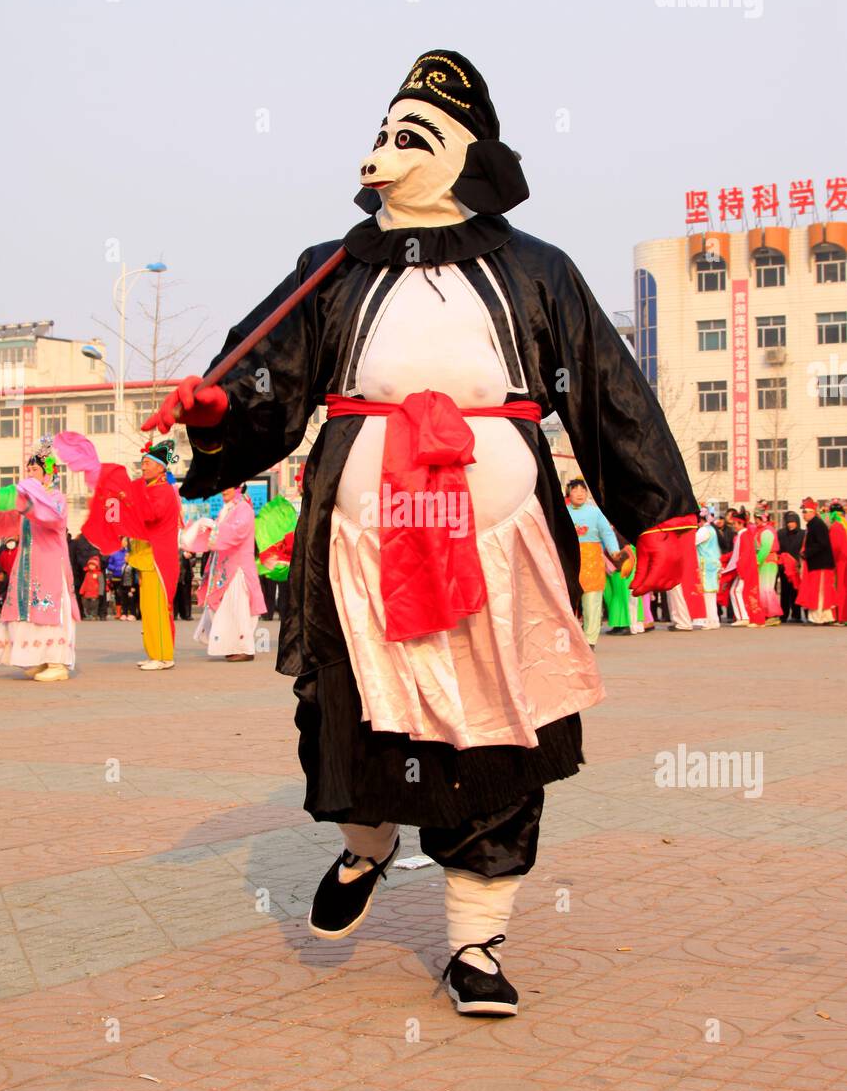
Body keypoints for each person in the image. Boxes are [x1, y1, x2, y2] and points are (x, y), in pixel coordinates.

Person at [145, 49, 697, 1016]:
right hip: (357, 552)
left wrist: (662, 509)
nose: (387, 150)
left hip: (505, 556)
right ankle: (366, 845)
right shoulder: (328, 272)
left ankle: (475, 942)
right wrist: (216, 408)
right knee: (349, 709)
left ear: (466, 153)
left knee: (498, 728)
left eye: (415, 136)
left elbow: (608, 393)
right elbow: (264, 375)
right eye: (383, 133)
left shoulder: (538, 270)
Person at [0, 437, 80, 680]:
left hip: (49, 564)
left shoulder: (56, 499)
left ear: (48, 473)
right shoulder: (27, 501)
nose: (30, 473)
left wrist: (26, 502)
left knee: (48, 608)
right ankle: (39, 658)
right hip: (27, 564)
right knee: (26, 611)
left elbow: (52, 519)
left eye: (35, 469)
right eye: (28, 469)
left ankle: (57, 663)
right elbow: (8, 521)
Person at [84, 439, 182, 669]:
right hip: (146, 557)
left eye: (148, 463)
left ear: (161, 467)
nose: (144, 467)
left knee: (157, 609)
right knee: (147, 609)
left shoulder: (163, 490)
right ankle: (154, 653)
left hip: (158, 558)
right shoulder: (147, 488)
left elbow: (149, 515)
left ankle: (162, 656)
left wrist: (127, 497)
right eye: (143, 463)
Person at [181, 485, 266, 659]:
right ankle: (231, 646)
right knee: (225, 609)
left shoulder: (244, 509)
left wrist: (212, 527)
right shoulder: (227, 509)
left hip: (238, 569)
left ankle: (244, 648)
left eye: (228, 487)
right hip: (225, 567)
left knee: (239, 609)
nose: (223, 491)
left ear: (239, 488)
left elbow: (236, 533)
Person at [565, 478, 623, 647]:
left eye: (583, 490)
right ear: (569, 493)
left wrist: (614, 551)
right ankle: (569, 637)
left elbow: (607, 533)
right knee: (568, 602)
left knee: (592, 602)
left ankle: (590, 640)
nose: (579, 493)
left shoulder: (595, 513)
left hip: (592, 561)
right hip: (570, 561)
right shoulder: (563, 511)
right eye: (575, 490)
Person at [255, 490, 299, 624]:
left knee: (270, 589)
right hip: (284, 561)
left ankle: (268, 613)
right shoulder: (289, 521)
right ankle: (283, 613)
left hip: (272, 561)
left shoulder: (267, 522)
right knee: (284, 589)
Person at [721, 507, 764, 627]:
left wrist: (741, 568)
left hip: (745, 568)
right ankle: (745, 617)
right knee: (738, 591)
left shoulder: (744, 535)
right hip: (745, 568)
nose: (733, 526)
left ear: (741, 523)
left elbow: (744, 554)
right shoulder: (743, 535)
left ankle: (746, 617)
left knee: (738, 591)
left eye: (735, 523)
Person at [797, 497, 837, 625]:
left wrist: (806, 553)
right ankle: (822, 616)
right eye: (803, 511)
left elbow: (822, 543)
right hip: (816, 563)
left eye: (805, 511)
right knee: (817, 589)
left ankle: (819, 617)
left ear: (812, 512)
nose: (803, 514)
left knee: (819, 590)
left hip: (821, 563)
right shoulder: (813, 525)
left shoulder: (817, 525)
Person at [754, 505, 782, 626]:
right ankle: (767, 614)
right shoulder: (762, 530)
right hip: (764, 562)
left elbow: (765, 549)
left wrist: (756, 561)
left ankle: (773, 615)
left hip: (767, 562)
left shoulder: (767, 531)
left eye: (757, 518)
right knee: (763, 589)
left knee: (766, 589)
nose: (755, 520)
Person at [694, 508, 722, 629]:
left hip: (706, 564)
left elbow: (692, 541)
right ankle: (714, 620)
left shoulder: (703, 531)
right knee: (711, 594)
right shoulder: (712, 530)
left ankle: (710, 620)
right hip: (713, 563)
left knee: (707, 593)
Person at [776, 511, 804, 623]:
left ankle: (796, 615)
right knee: (785, 592)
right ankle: (783, 615)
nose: (790, 524)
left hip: (797, 567)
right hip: (784, 567)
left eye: (792, 522)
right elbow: (778, 549)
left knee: (796, 591)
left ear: (797, 522)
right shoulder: (781, 533)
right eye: (788, 522)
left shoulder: (803, 534)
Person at [827, 501, 847, 625]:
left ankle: (840, 617)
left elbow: (835, 547)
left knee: (839, 589)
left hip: (840, 562)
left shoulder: (836, 527)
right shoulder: (844, 524)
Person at [79, 554, 103, 618]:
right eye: (90, 565)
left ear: (96, 566)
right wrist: (82, 591)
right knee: (86, 604)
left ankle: (94, 615)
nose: (91, 566)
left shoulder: (99, 574)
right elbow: (84, 583)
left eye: (93, 565)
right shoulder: (87, 574)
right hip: (87, 592)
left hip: (95, 592)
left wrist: (100, 592)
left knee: (94, 604)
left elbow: (101, 583)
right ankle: (89, 614)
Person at [174, 550, 195, 620]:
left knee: (186, 596)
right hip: (177, 574)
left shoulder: (191, 548)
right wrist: (183, 554)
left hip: (186, 575)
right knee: (176, 595)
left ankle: (186, 614)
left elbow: (194, 562)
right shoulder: (177, 550)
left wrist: (190, 558)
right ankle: (175, 614)